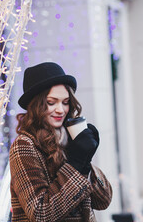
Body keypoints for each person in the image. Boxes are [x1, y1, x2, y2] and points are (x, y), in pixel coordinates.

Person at [9, 62, 112, 221]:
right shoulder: (24, 145)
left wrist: (86, 159)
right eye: (51, 102)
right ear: (37, 104)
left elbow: (103, 201)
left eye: (65, 102)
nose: (60, 110)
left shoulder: (68, 139)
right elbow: (41, 214)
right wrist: (76, 163)